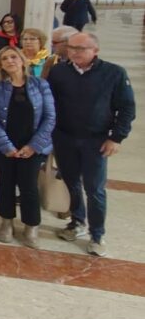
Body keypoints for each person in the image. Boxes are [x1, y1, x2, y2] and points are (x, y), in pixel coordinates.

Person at [47, 32, 136, 256]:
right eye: (71, 47)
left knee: (94, 189)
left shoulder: (114, 73)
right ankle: (77, 221)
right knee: (71, 182)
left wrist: (116, 137)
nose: (75, 52)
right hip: (64, 137)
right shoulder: (59, 72)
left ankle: (97, 234)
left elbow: (126, 108)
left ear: (95, 50)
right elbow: (49, 103)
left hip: (96, 140)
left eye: (81, 48)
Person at [0, 46, 55, 248]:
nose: (10, 61)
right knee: (5, 183)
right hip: (4, 145)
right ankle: (6, 222)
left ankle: (31, 225)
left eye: (13, 57)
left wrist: (33, 146)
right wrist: (6, 145)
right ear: (0, 64)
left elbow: (50, 117)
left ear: (22, 60)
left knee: (28, 185)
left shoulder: (40, 85)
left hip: (32, 145)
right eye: (4, 58)